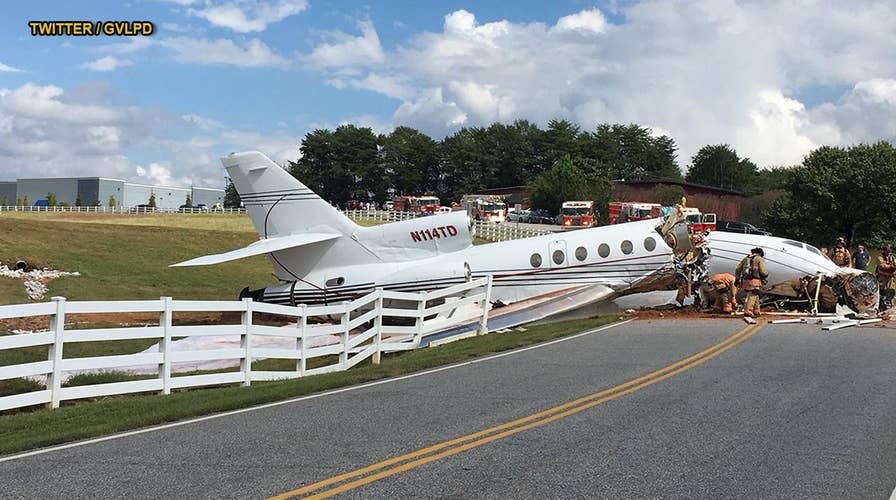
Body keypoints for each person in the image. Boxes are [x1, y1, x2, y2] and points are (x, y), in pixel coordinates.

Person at [735, 247, 768, 317]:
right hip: (755, 280)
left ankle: (756, 310)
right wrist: (765, 275)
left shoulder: (746, 259)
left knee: (755, 294)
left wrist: (737, 279)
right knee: (753, 294)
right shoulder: (759, 259)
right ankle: (748, 311)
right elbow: (763, 271)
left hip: (745, 280)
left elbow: (738, 269)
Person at [876, 244, 896, 310]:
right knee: (882, 291)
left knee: (891, 291)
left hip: (890, 277)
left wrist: (894, 268)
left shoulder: (892, 257)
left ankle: (890, 306)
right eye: (887, 250)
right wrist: (891, 267)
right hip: (882, 276)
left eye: (890, 250)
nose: (889, 252)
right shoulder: (880, 257)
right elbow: (882, 265)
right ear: (884, 250)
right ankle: (880, 307)